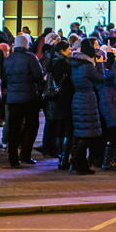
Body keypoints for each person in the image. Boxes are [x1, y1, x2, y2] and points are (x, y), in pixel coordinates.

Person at [1, 33, 44, 168]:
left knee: (14, 128)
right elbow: (38, 76)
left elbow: (4, 79)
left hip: (13, 99)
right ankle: (25, 154)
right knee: (31, 126)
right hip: (29, 98)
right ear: (26, 45)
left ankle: (12, 157)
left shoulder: (8, 59)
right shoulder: (31, 58)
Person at [69, 38, 105, 175]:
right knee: (88, 134)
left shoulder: (76, 64)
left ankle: (80, 164)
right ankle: (78, 162)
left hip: (78, 98)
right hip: (87, 99)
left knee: (81, 133)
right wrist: (100, 64)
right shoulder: (87, 66)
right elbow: (101, 78)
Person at [95, 46, 116, 171]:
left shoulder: (104, 69)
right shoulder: (100, 70)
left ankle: (110, 158)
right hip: (107, 103)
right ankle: (106, 160)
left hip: (112, 103)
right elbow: (110, 76)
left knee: (115, 131)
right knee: (111, 133)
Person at [45, 40, 74, 169]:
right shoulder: (64, 64)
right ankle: (64, 157)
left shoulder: (53, 62)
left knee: (60, 128)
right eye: (68, 49)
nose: (71, 50)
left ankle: (61, 156)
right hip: (65, 98)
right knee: (67, 129)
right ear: (62, 51)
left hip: (56, 99)